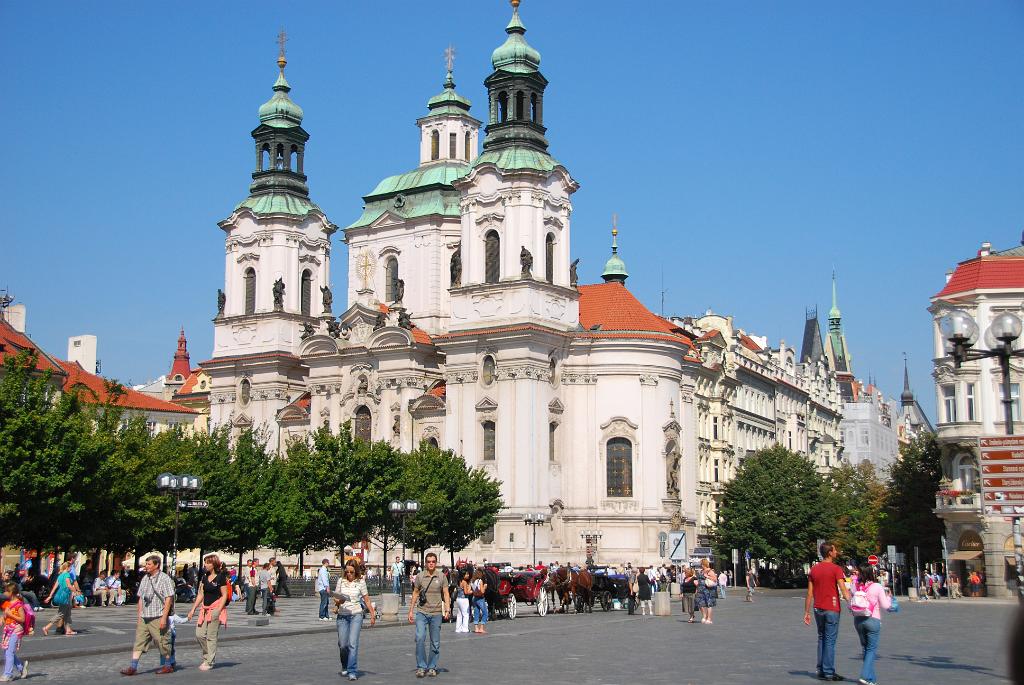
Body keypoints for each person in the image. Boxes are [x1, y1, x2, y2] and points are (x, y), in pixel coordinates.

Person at [120, 554, 175, 676]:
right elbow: (140, 598)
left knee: (162, 642)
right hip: (145, 616)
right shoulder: (145, 578)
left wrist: (164, 618)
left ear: (157, 565)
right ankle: (133, 667)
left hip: (158, 615)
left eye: (149, 564)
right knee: (139, 641)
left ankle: (168, 665)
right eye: (146, 564)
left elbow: (168, 599)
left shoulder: (164, 579)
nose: (147, 566)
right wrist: (139, 615)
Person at [804, 541, 850, 682]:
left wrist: (806, 612)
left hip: (818, 608)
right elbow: (843, 590)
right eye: (835, 550)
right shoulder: (836, 569)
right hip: (832, 608)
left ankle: (821, 669)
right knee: (830, 640)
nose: (836, 552)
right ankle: (829, 671)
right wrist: (854, 604)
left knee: (821, 638)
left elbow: (810, 593)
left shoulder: (814, 569)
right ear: (829, 553)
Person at [408, 552, 450, 678]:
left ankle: (432, 666)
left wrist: (447, 609)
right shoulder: (420, 576)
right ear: (425, 563)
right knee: (420, 638)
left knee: (435, 642)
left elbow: (446, 593)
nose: (431, 563)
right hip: (422, 612)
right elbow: (415, 593)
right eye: (429, 561)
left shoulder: (442, 576)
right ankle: (421, 666)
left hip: (436, 613)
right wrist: (411, 610)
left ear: (436, 563)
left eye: (433, 561)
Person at [332, 562, 376, 681]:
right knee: (343, 645)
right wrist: (338, 601)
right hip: (342, 615)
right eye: (347, 571)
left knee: (352, 643)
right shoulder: (341, 581)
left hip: (356, 614)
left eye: (351, 572)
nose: (349, 574)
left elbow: (366, 599)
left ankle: (352, 670)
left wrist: (372, 614)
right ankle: (345, 665)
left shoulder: (360, 582)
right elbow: (335, 597)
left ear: (356, 571)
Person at [186, 554, 229, 671]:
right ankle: (206, 656)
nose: (205, 565)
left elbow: (224, 594)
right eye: (205, 562)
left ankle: (210, 661)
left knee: (211, 636)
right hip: (205, 609)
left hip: (215, 609)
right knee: (199, 634)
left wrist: (218, 610)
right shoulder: (205, 577)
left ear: (213, 564)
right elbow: (201, 594)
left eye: (207, 563)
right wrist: (193, 609)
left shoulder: (220, 577)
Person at [851, 563, 892, 685]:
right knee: (871, 649)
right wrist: (889, 597)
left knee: (865, 648)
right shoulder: (877, 586)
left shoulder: (855, 586)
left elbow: (850, 603)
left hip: (858, 620)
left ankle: (871, 679)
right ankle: (864, 676)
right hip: (873, 619)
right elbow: (886, 606)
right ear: (871, 572)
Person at [1, 583, 28, 682]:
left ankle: (8, 674)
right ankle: (21, 668)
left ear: (11, 593)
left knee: (9, 652)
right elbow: (5, 616)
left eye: (6, 591)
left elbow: (22, 619)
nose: (4, 593)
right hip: (8, 629)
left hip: (16, 630)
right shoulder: (8, 603)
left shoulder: (18, 604)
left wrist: (10, 615)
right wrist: (3, 618)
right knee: (7, 651)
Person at [42, 561, 76, 636]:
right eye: (70, 567)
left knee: (67, 613)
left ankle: (68, 630)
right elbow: (69, 585)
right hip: (65, 596)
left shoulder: (60, 575)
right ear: (67, 567)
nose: (71, 569)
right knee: (61, 614)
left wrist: (50, 596)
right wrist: (76, 591)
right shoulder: (67, 575)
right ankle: (47, 627)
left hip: (60, 595)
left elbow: (55, 587)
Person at [694, 559, 717, 624]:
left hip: (708, 589)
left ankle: (709, 618)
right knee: (699, 603)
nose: (701, 565)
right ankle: (704, 616)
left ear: (704, 564)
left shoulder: (710, 571)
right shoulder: (701, 571)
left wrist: (707, 576)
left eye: (701, 564)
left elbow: (715, 579)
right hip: (700, 589)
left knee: (708, 604)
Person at [470, 569, 488, 634]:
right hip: (480, 598)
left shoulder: (472, 581)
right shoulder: (480, 581)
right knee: (485, 613)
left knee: (476, 613)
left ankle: (476, 628)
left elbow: (471, 590)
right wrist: (484, 587)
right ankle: (481, 628)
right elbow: (482, 591)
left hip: (474, 598)